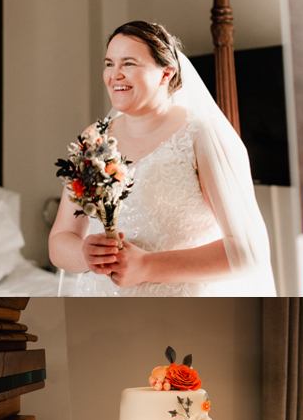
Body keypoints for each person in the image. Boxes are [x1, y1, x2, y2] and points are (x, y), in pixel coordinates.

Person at [49, 21, 276, 296]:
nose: (115, 75)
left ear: (165, 73)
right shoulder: (93, 139)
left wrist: (147, 265)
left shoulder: (200, 134)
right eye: (109, 64)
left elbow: (249, 250)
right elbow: (60, 241)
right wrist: (84, 253)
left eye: (129, 64)